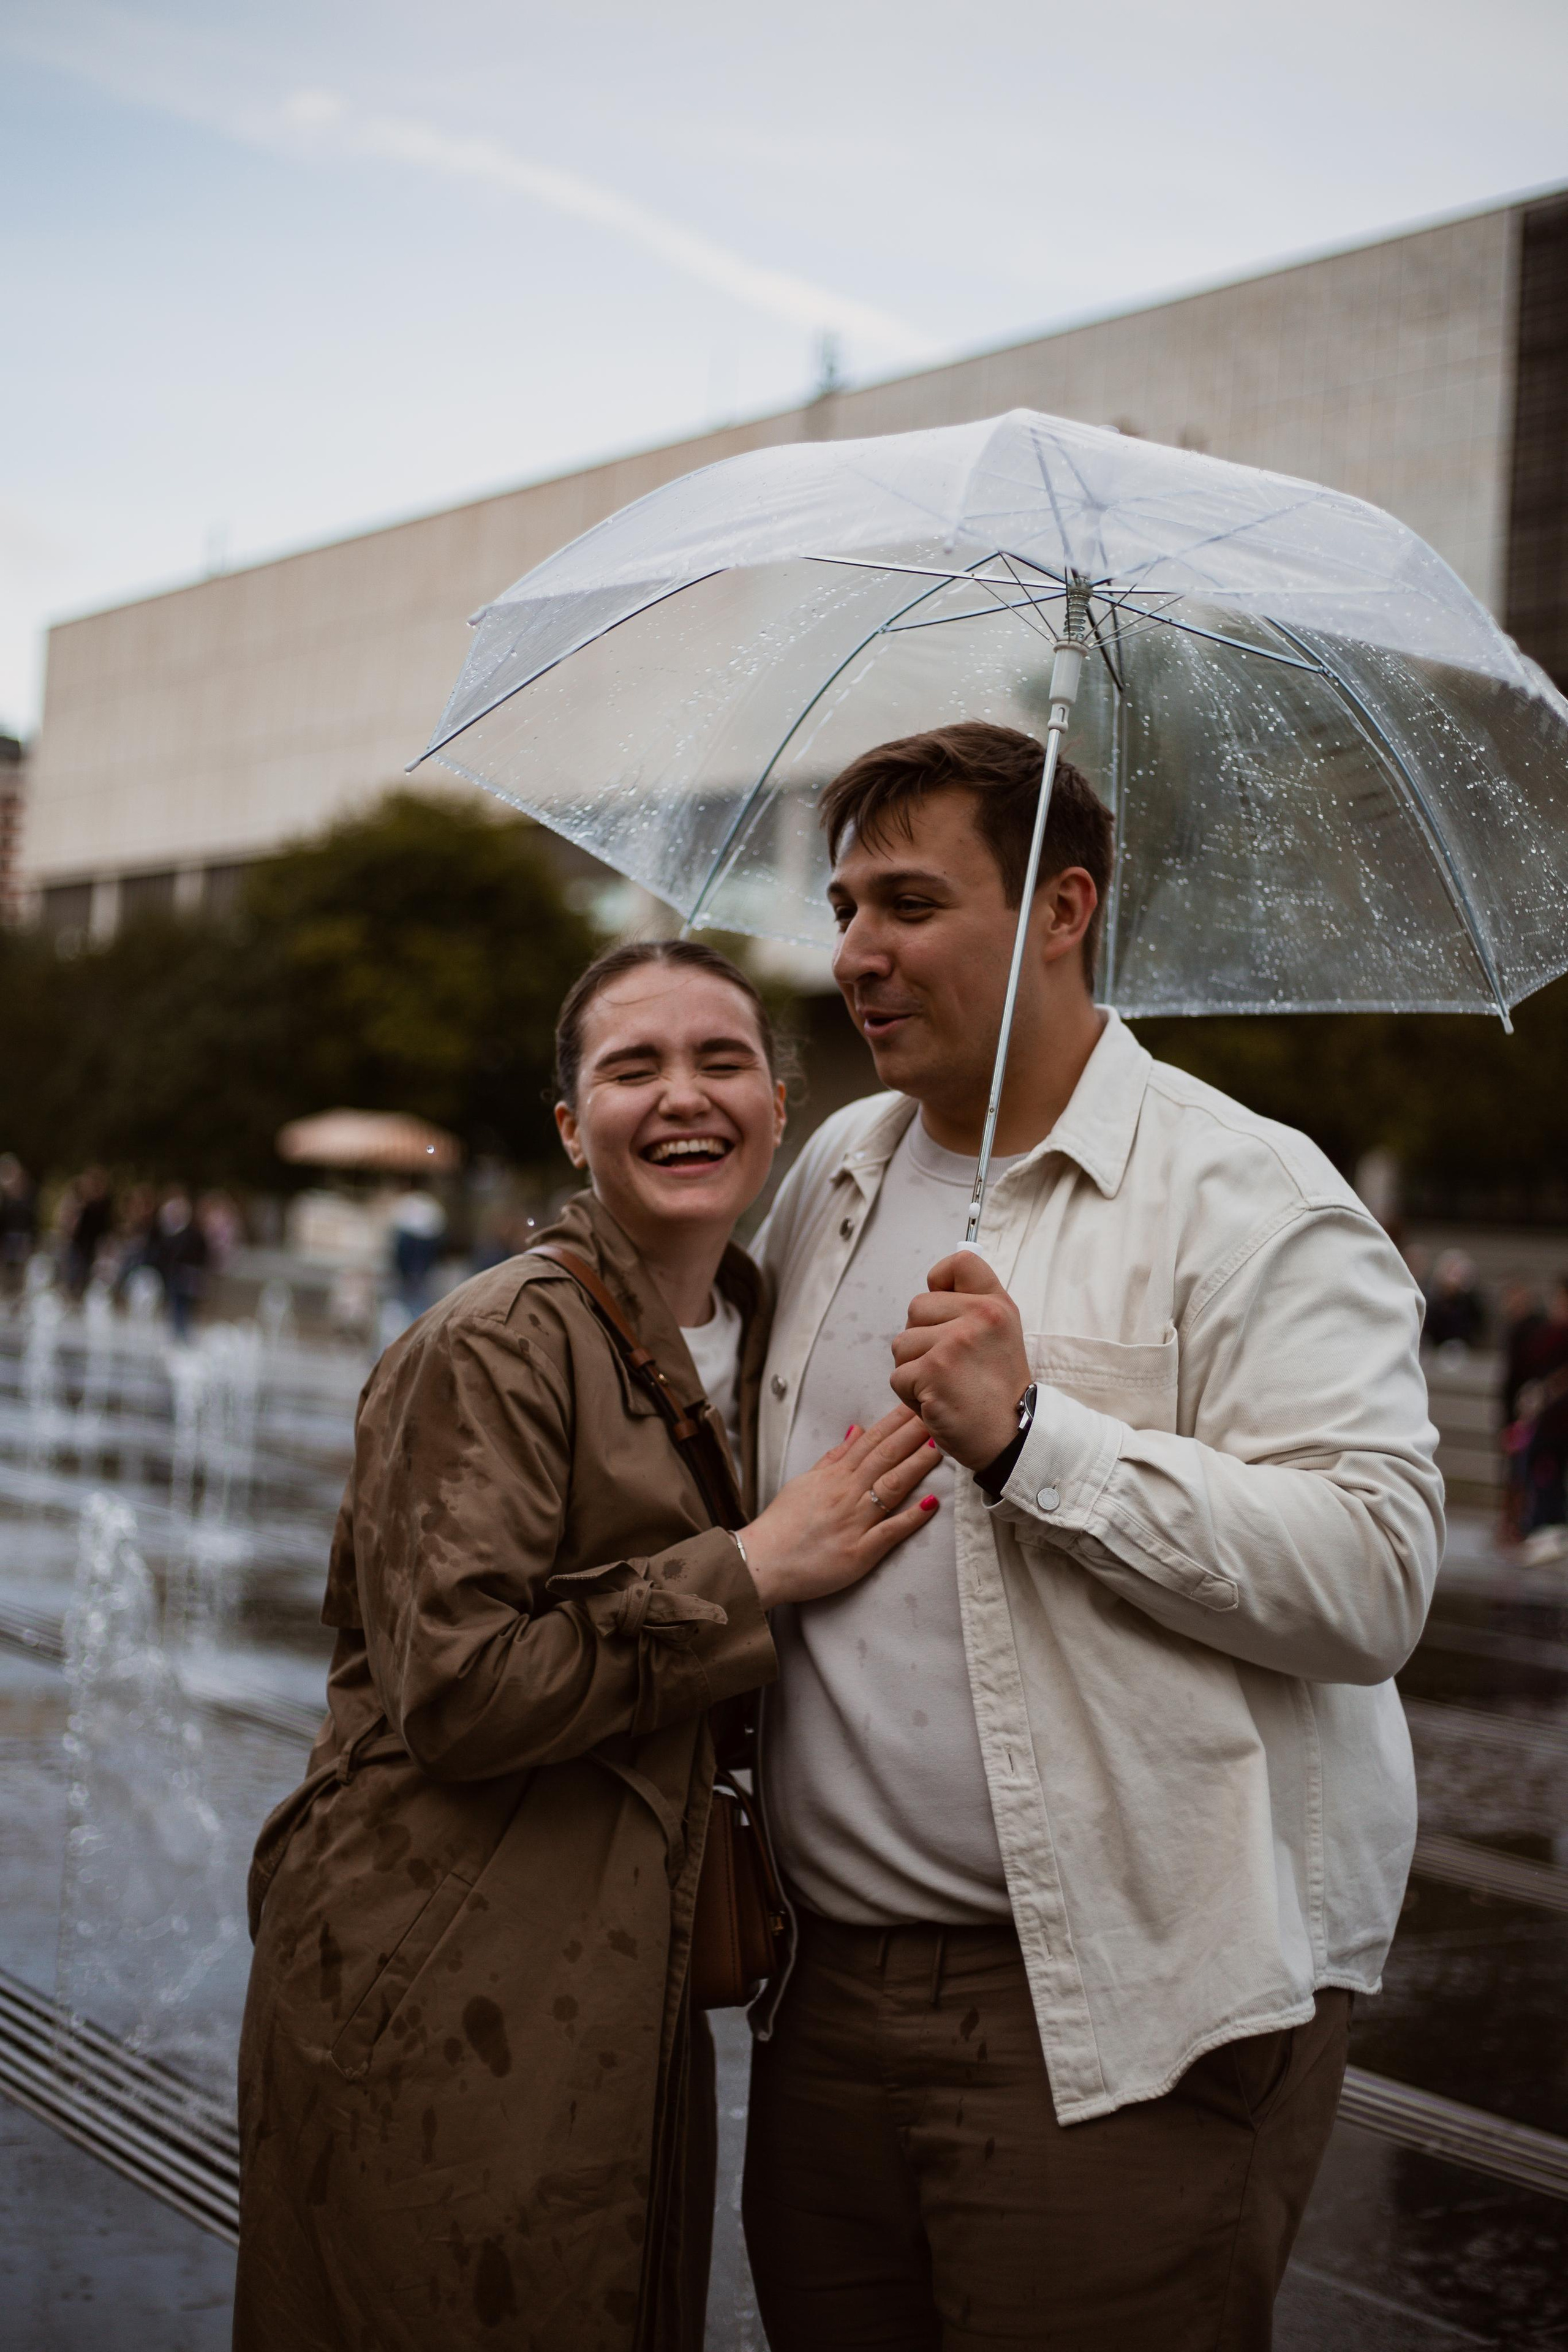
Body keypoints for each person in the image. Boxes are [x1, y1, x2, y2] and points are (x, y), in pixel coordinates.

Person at [744, 723, 1443, 2352]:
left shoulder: (1250, 1198)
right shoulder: (838, 1171)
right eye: (847, 905)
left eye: (911, 903)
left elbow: (1377, 1578)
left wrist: (1038, 1439)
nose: (858, 952)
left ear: (1064, 910)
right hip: (824, 1994)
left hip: (1124, 2011)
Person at [233, 940, 940, 2352]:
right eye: (633, 1067)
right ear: (572, 1124)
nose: (682, 1094)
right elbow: (457, 1685)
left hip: (612, 1974)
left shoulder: (766, 1330)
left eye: (721, 1059)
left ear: (780, 1101)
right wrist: (747, 1570)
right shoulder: (494, 1342)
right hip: (436, 1979)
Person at [149, 1186, 209, 1343]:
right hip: (176, 1276)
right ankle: (177, 1337)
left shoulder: (192, 1234)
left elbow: (201, 1256)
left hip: (188, 1277)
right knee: (176, 1306)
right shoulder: (170, 1233)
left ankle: (183, 1337)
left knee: (184, 1307)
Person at [0, 1154, 36, 1303]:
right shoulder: (4, 1199)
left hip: (21, 1239)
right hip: (6, 1240)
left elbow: (31, 1220)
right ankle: (6, 1298)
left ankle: (18, 1300)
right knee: (7, 1270)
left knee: (21, 1270)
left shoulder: (27, 1196)